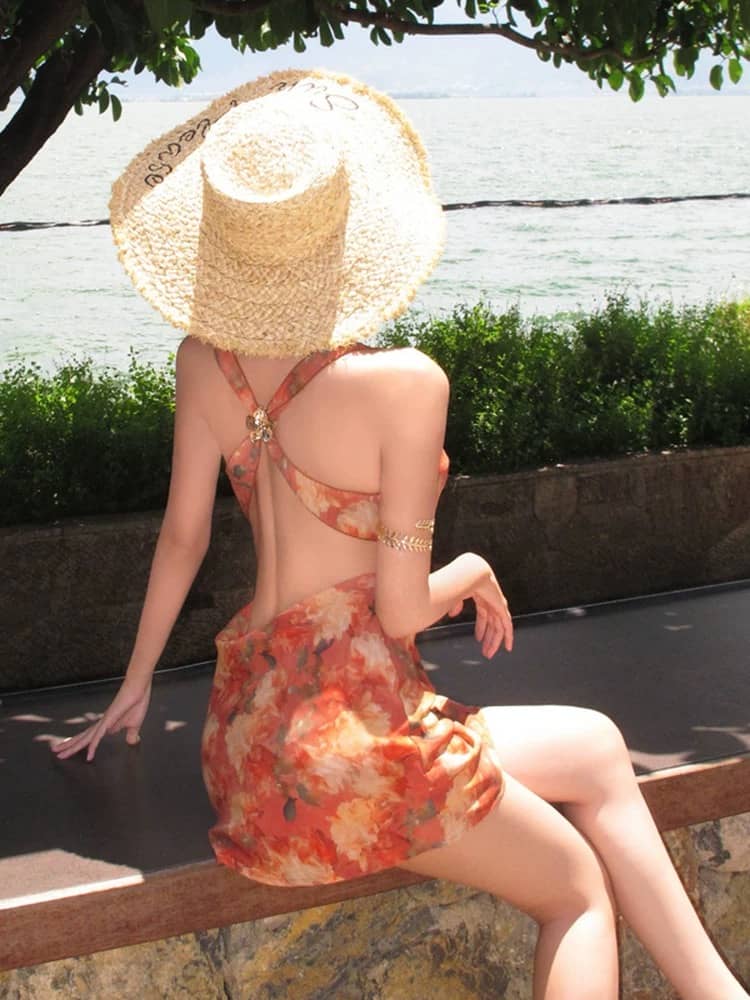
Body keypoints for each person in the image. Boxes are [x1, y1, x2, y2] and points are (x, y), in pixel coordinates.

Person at [53, 69, 747, 1000]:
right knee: (577, 893)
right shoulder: (405, 385)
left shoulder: (203, 361)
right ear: (343, 228)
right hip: (356, 744)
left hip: (251, 747)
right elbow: (400, 610)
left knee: (592, 747)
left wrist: (134, 684)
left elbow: (182, 538)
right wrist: (473, 568)